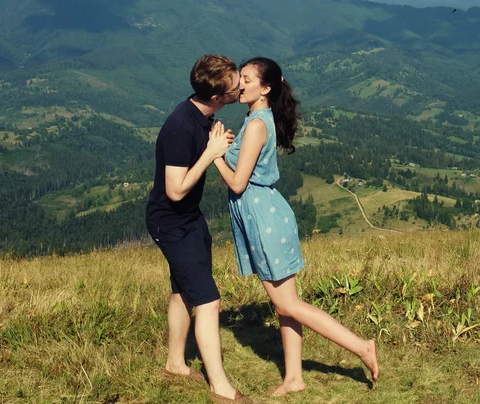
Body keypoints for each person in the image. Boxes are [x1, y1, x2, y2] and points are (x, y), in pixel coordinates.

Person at [212, 57, 380, 396]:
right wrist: (228, 147)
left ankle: (362, 347)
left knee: (288, 304)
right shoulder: (255, 118)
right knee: (285, 303)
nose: (239, 83)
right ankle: (294, 379)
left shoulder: (258, 123)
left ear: (266, 88)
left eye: (245, 78)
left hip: (264, 220)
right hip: (267, 216)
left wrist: (214, 155)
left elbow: (238, 184)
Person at [145, 54, 254, 403]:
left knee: (184, 291)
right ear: (216, 96)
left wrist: (213, 139)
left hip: (189, 220)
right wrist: (211, 152)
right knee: (209, 301)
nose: (240, 85)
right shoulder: (180, 127)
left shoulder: (200, 115)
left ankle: (175, 364)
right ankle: (220, 389)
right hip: (172, 223)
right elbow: (175, 189)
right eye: (234, 84)